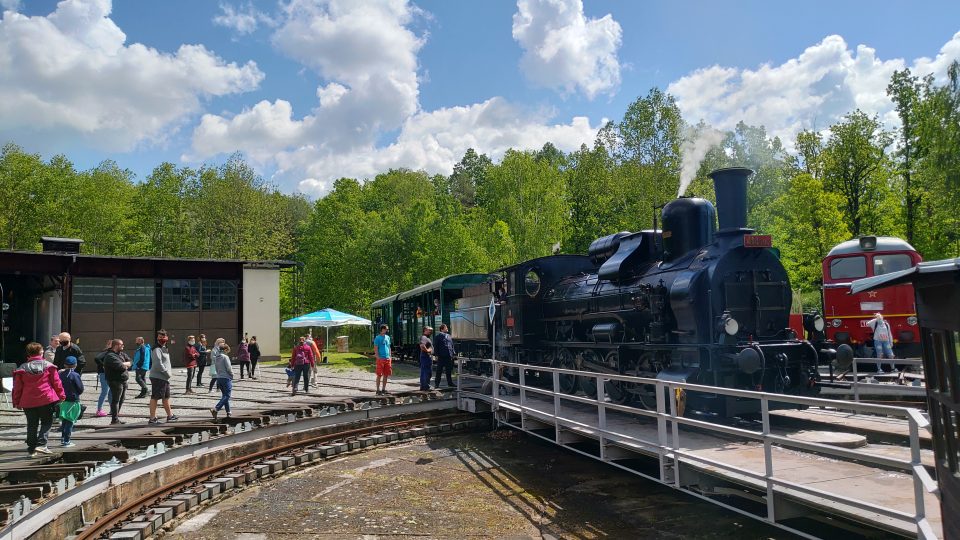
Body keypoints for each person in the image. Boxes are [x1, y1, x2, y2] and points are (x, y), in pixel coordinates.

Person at [13, 342, 65, 457]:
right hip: (46, 399)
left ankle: (31, 449)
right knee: (47, 421)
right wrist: (61, 395)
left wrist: (16, 401)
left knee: (32, 424)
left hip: (28, 401)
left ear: (28, 354)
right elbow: (57, 383)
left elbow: (17, 388)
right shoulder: (49, 366)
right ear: (41, 352)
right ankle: (41, 444)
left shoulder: (21, 369)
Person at [148, 330, 178, 424]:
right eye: (160, 337)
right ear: (157, 338)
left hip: (164, 378)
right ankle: (152, 418)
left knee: (166, 397)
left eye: (163, 337)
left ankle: (170, 416)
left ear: (167, 338)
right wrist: (167, 373)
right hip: (158, 377)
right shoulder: (157, 348)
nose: (162, 338)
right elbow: (157, 363)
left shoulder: (164, 347)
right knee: (155, 397)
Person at [58, 355, 84, 447]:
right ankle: (66, 441)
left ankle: (62, 439)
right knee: (70, 420)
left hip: (63, 400)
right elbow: (80, 389)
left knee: (64, 420)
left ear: (65, 364)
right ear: (75, 365)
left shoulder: (61, 374)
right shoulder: (75, 375)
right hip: (73, 400)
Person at [103, 339, 131, 425]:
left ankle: (116, 418)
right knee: (116, 400)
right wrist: (125, 365)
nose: (123, 346)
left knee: (122, 399)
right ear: (116, 346)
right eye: (121, 344)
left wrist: (124, 364)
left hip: (123, 380)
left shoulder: (121, 354)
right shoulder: (110, 356)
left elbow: (131, 361)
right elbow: (120, 367)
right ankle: (114, 420)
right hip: (115, 381)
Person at [210, 344, 234, 419]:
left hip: (219, 378)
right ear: (225, 350)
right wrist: (232, 375)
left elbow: (216, 369)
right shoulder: (225, 357)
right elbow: (229, 368)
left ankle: (228, 412)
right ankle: (216, 409)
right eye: (227, 351)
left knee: (224, 396)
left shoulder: (216, 358)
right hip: (226, 378)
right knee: (227, 395)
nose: (227, 353)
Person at [94, 339, 113, 417]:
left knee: (111, 393)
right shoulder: (105, 353)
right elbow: (96, 358)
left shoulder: (114, 353)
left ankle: (112, 409)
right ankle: (99, 410)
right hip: (103, 374)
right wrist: (104, 365)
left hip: (111, 374)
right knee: (105, 391)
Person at [433, 324, 456, 389]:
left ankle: (450, 383)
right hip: (441, 356)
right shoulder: (438, 336)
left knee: (448, 370)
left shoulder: (449, 336)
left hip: (448, 356)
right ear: (442, 329)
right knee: (439, 370)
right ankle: (437, 384)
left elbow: (451, 345)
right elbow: (436, 346)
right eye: (446, 328)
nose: (447, 329)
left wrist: (453, 353)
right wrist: (436, 355)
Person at [373, 325, 392, 396]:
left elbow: (389, 347)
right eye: (386, 329)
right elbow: (375, 348)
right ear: (382, 329)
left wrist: (390, 356)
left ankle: (383, 389)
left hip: (387, 358)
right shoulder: (377, 338)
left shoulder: (388, 337)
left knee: (386, 374)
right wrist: (378, 357)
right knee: (379, 375)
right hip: (380, 358)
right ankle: (378, 390)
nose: (387, 330)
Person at [419, 326, 434, 391]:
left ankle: (423, 386)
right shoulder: (424, 337)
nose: (430, 331)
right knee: (426, 372)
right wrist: (428, 350)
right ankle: (426, 386)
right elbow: (422, 345)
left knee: (424, 372)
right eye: (429, 330)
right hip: (426, 357)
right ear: (425, 330)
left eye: (431, 330)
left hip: (426, 357)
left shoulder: (426, 338)